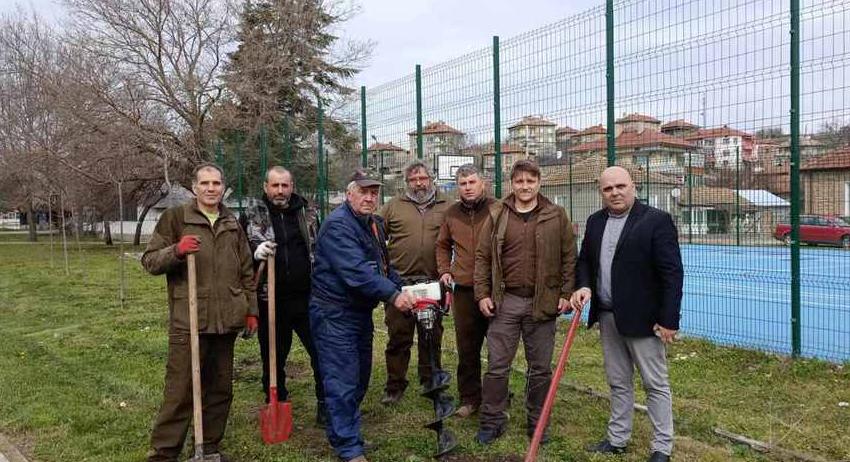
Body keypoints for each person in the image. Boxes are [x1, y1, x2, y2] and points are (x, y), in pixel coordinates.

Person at [141, 163, 258, 462]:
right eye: (204, 183)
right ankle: (164, 453)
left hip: (226, 320)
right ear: (194, 187)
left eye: (216, 183)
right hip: (189, 320)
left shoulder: (231, 221)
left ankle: (207, 449)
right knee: (180, 391)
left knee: (220, 391)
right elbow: (150, 261)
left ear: (223, 187)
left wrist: (250, 310)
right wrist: (176, 251)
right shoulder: (176, 218)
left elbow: (246, 269)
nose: (210, 188)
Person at [570, 166, 683, 462]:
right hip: (608, 316)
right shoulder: (595, 222)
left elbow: (672, 274)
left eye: (621, 186)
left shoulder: (656, 221)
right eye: (608, 189)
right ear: (601, 192)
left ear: (633, 186)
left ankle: (662, 447)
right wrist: (583, 286)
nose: (615, 193)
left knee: (655, 384)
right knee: (618, 381)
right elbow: (584, 262)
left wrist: (669, 320)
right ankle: (617, 438)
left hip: (644, 320)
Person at [309, 169, 417, 462]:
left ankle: (345, 431)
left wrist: (405, 288)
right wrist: (395, 297)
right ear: (349, 193)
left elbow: (382, 266)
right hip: (334, 313)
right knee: (342, 379)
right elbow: (356, 273)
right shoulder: (337, 227)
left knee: (359, 377)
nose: (369, 197)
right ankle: (348, 446)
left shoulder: (374, 224)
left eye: (374, 192)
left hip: (358, 313)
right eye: (363, 191)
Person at [473, 159, 577, 444]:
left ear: (539, 183)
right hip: (505, 302)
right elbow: (482, 258)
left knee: (540, 368)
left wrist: (566, 294)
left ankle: (538, 422)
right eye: (519, 181)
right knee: (497, 366)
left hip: (542, 304)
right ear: (512, 184)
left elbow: (569, 257)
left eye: (530, 181)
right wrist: (482, 294)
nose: (525, 186)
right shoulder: (497, 214)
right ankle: (492, 420)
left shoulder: (556, 215)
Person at [243, 166, 325, 425]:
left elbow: (319, 247)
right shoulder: (252, 214)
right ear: (266, 187)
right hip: (270, 299)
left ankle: (325, 403)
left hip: (306, 297)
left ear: (292, 186)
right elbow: (238, 251)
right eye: (275, 186)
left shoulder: (308, 212)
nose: (280, 191)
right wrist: (255, 251)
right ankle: (275, 401)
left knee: (321, 352)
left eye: (285, 185)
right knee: (273, 355)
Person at [378, 160, 451, 405]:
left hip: (433, 283)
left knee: (432, 335)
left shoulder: (447, 206)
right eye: (413, 180)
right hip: (400, 284)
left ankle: (431, 379)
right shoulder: (392, 207)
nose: (419, 183)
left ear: (431, 179)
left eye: (423, 178)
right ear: (406, 182)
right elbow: (376, 236)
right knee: (399, 336)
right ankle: (395, 385)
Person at [435, 164, 495, 418]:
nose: (468, 188)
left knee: (498, 348)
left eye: (472, 182)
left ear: (482, 183)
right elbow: (442, 245)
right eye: (463, 184)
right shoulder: (451, 213)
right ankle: (470, 398)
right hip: (464, 291)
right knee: (467, 348)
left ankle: (496, 398)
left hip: (494, 289)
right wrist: (444, 270)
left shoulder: (499, 209)